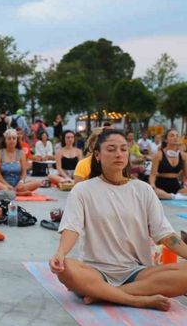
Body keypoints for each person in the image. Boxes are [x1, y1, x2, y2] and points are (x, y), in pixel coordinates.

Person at [50, 129, 187, 311]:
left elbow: (165, 234)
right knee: (66, 267)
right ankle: (135, 300)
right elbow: (71, 228)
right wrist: (60, 252)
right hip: (95, 272)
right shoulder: (82, 190)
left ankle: (103, 294)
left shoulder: (143, 190)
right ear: (97, 155)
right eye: (111, 149)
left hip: (137, 272)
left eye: (123, 149)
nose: (119, 154)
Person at [0, 129, 41, 196]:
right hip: (3, 185)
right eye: (9, 138)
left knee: (37, 182)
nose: (11, 141)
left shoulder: (21, 153)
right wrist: (6, 185)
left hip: (18, 185)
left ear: (17, 140)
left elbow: (24, 173)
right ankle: (17, 193)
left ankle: (12, 192)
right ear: (5, 140)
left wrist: (21, 182)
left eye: (14, 138)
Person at [148, 129, 187, 200]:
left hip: (176, 185)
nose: (175, 137)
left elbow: (186, 174)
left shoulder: (184, 155)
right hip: (160, 186)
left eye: (177, 136)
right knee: (152, 191)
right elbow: (152, 175)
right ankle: (174, 197)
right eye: (172, 135)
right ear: (166, 140)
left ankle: (172, 196)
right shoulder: (158, 155)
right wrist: (152, 185)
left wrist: (185, 184)